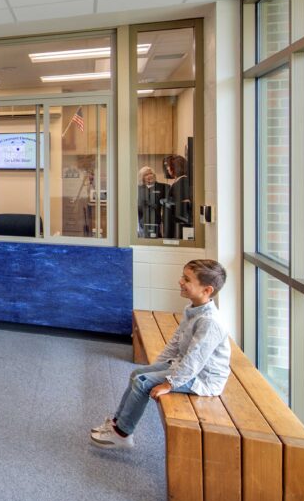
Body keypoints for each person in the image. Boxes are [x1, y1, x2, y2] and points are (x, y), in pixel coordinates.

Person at [90, 259, 229, 449]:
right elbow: (177, 341)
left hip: (203, 378)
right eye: (182, 277)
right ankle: (116, 424)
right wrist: (156, 367)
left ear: (207, 290)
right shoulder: (192, 309)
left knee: (142, 383)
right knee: (137, 374)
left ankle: (123, 434)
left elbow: (195, 360)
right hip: (183, 366)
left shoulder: (209, 321)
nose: (180, 282)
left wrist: (169, 384)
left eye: (187, 280)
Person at [161, 154, 192, 239]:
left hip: (177, 226)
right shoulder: (179, 181)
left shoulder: (182, 182)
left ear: (177, 167)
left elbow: (183, 205)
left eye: (168, 166)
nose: (167, 169)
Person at [137, 165, 167, 238]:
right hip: (141, 225)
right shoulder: (138, 189)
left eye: (151, 173)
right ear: (142, 177)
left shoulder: (163, 187)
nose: (149, 176)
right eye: (146, 175)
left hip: (157, 224)